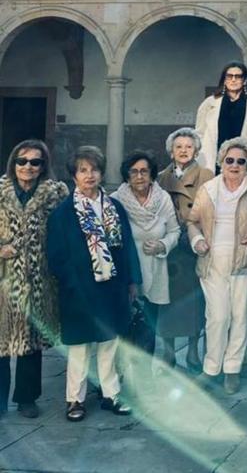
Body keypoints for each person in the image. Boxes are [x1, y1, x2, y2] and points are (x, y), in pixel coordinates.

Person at [47, 146, 141, 422]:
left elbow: (127, 248)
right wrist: (72, 284)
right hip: (78, 291)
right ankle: (74, 400)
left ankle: (111, 394)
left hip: (111, 288)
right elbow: (56, 256)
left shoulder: (114, 207)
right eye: (83, 170)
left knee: (109, 343)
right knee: (79, 347)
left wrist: (132, 280)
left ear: (102, 173)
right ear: (74, 176)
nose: (89, 175)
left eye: (95, 170)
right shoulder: (63, 213)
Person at [188, 138, 247, 395]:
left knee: (240, 317)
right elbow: (192, 221)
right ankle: (211, 369)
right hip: (212, 262)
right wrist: (197, 240)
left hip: (245, 262)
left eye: (241, 161)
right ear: (221, 162)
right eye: (229, 160)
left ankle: (232, 370)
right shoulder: (208, 189)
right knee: (217, 318)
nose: (234, 165)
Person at [0, 140, 67, 419]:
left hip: (39, 278)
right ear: (13, 163)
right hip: (4, 279)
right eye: (22, 161)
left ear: (43, 166)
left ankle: (27, 398)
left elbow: (65, 233)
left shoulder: (55, 194)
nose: (27, 167)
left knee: (31, 341)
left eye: (35, 162)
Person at [112, 151, 180, 380]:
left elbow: (174, 231)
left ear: (152, 174)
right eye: (134, 172)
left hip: (155, 271)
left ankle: (143, 379)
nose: (139, 176)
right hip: (127, 274)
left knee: (148, 326)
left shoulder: (163, 200)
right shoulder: (115, 201)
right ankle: (118, 377)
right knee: (123, 327)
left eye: (144, 171)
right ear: (127, 175)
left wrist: (162, 245)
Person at [156, 128, 215, 373]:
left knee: (194, 301)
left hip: (194, 242)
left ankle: (192, 351)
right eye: (178, 146)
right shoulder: (160, 178)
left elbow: (210, 210)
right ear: (171, 151)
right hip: (168, 244)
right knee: (167, 300)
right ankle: (168, 351)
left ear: (197, 150)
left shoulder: (206, 174)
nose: (183, 151)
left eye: (188, 147)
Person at [195, 61, 247, 172]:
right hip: (212, 162)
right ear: (224, 79)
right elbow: (199, 133)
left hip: (242, 162)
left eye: (238, 76)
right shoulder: (209, 104)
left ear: (245, 80)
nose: (233, 80)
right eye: (229, 76)